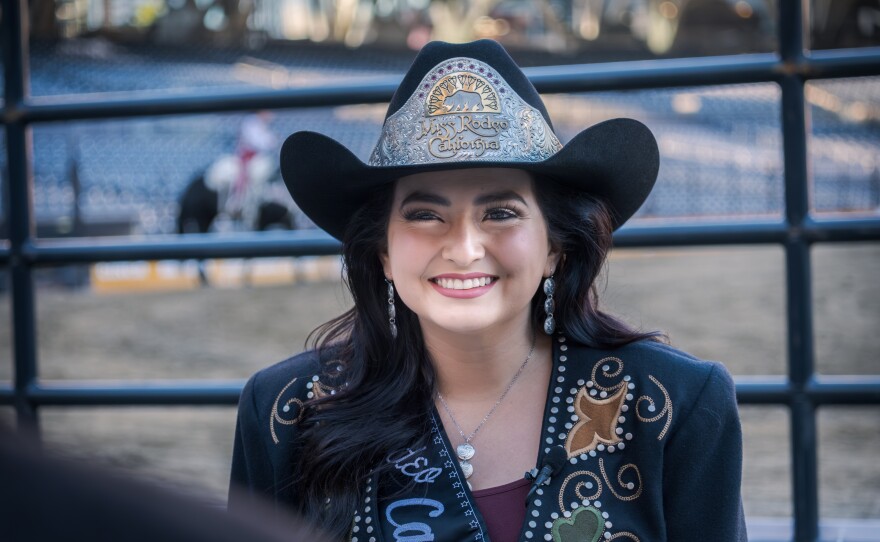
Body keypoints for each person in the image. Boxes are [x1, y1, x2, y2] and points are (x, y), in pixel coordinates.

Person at [229, 39, 747, 542]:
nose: (464, 247)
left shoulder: (674, 407)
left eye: (500, 213)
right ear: (383, 251)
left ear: (554, 247)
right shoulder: (288, 412)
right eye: (425, 214)